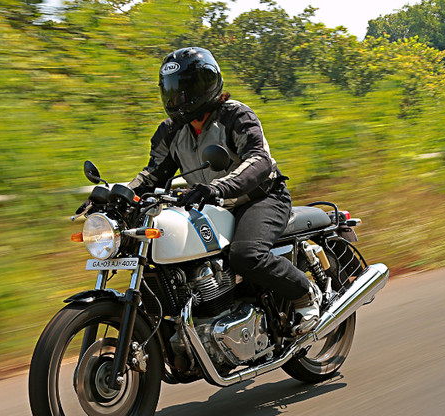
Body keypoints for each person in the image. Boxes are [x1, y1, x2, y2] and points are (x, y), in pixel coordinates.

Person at [126, 47, 320, 334]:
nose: (177, 98)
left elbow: (259, 161)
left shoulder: (235, 116)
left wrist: (217, 188)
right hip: (209, 204)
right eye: (171, 90)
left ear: (207, 85)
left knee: (246, 255)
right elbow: (154, 173)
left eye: (185, 89)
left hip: (261, 198)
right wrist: (120, 194)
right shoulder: (170, 131)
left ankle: (305, 294)